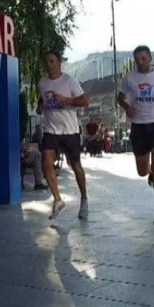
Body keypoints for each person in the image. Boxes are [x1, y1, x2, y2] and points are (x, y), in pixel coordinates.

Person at [117, 45, 154, 225]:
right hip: (139, 125)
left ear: (150, 58)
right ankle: (150, 172)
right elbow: (120, 98)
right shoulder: (130, 78)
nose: (140, 62)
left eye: (143, 59)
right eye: (137, 60)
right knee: (142, 170)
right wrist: (127, 107)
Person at [37, 51, 90, 220]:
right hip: (51, 130)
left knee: (76, 165)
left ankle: (84, 198)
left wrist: (67, 100)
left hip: (69, 130)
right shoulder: (42, 83)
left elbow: (85, 101)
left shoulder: (69, 81)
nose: (49, 65)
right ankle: (58, 200)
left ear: (59, 63)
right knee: (46, 162)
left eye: (52, 61)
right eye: (46, 62)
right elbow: (42, 98)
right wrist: (40, 107)